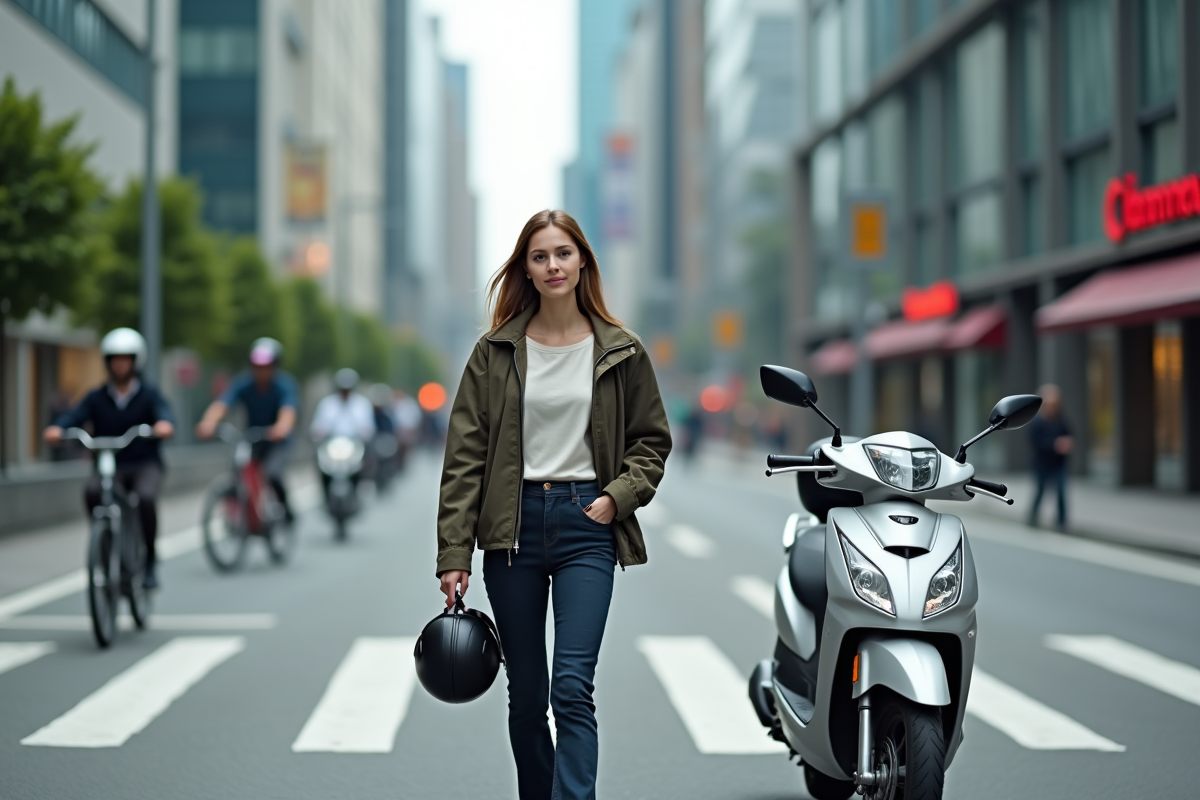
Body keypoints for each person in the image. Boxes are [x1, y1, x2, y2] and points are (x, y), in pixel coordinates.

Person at [437, 209, 672, 800]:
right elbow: (464, 458)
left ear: (583, 260)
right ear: (527, 269)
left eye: (562, 253)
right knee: (527, 698)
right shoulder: (494, 351)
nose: (552, 266)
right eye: (539, 256)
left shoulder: (621, 350)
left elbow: (651, 440)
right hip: (511, 531)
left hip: (586, 526)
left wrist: (617, 498)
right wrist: (453, 553)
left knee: (571, 687)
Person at [43, 328, 176, 588]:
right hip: (111, 465)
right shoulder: (97, 397)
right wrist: (58, 427)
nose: (120, 364)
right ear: (107, 361)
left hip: (144, 464)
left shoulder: (149, 394)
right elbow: (74, 416)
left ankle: (149, 559)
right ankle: (104, 540)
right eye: (115, 358)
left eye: (126, 358)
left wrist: (164, 424)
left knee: (146, 498)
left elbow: (164, 413)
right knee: (93, 491)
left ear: (136, 361)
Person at [196, 337, 299, 523]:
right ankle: (240, 514)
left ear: (275, 366)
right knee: (238, 468)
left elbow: (288, 411)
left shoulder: (284, 385)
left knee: (272, 474)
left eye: (266, 366)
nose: (261, 371)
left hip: (275, 441)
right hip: (252, 438)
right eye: (257, 366)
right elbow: (222, 404)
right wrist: (208, 422)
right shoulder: (244, 384)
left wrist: (281, 427)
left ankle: (285, 510)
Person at [310, 368, 376, 500]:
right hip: (332, 444)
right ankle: (325, 495)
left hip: (354, 444)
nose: (345, 392)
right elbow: (318, 424)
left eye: (348, 389)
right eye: (343, 389)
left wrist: (365, 433)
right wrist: (318, 432)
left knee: (363, 462)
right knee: (321, 463)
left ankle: (360, 489)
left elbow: (368, 426)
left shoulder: (362, 404)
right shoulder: (327, 404)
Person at [1028, 383, 1073, 530]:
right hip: (1042, 464)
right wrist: (1055, 444)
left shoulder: (1060, 420)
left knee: (1061, 492)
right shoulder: (1037, 422)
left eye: (1055, 404)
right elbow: (1036, 443)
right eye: (1049, 404)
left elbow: (1069, 434)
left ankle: (1062, 522)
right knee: (1040, 491)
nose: (1052, 407)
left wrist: (1067, 443)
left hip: (1058, 463)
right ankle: (1032, 516)